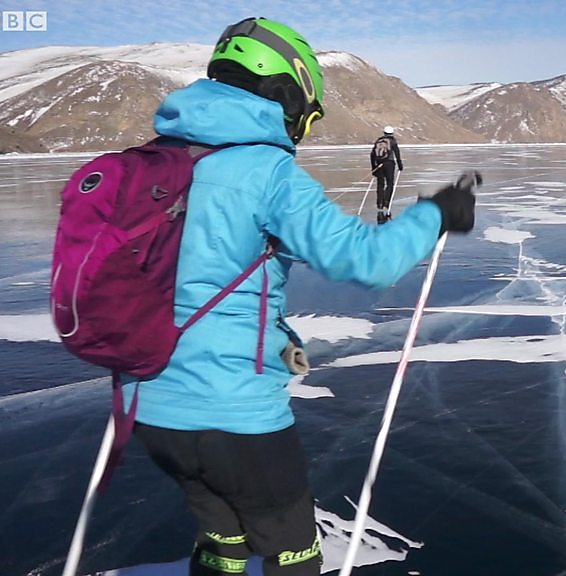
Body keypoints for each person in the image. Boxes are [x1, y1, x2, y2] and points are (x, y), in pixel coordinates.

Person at [124, 17, 475, 576]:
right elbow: (368, 260)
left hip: (147, 408)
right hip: (234, 410)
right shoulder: (267, 173)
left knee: (222, 539)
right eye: (306, 116)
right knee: (293, 548)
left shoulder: (143, 167)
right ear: (285, 93)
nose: (301, 130)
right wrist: (438, 213)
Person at [370, 126, 403, 224]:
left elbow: (372, 154)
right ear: (392, 133)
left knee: (380, 184)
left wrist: (373, 168)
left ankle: (379, 203)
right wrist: (400, 165)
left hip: (379, 164)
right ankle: (386, 201)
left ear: (384, 132)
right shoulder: (392, 141)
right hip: (389, 164)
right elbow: (397, 153)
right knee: (390, 184)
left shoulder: (378, 141)